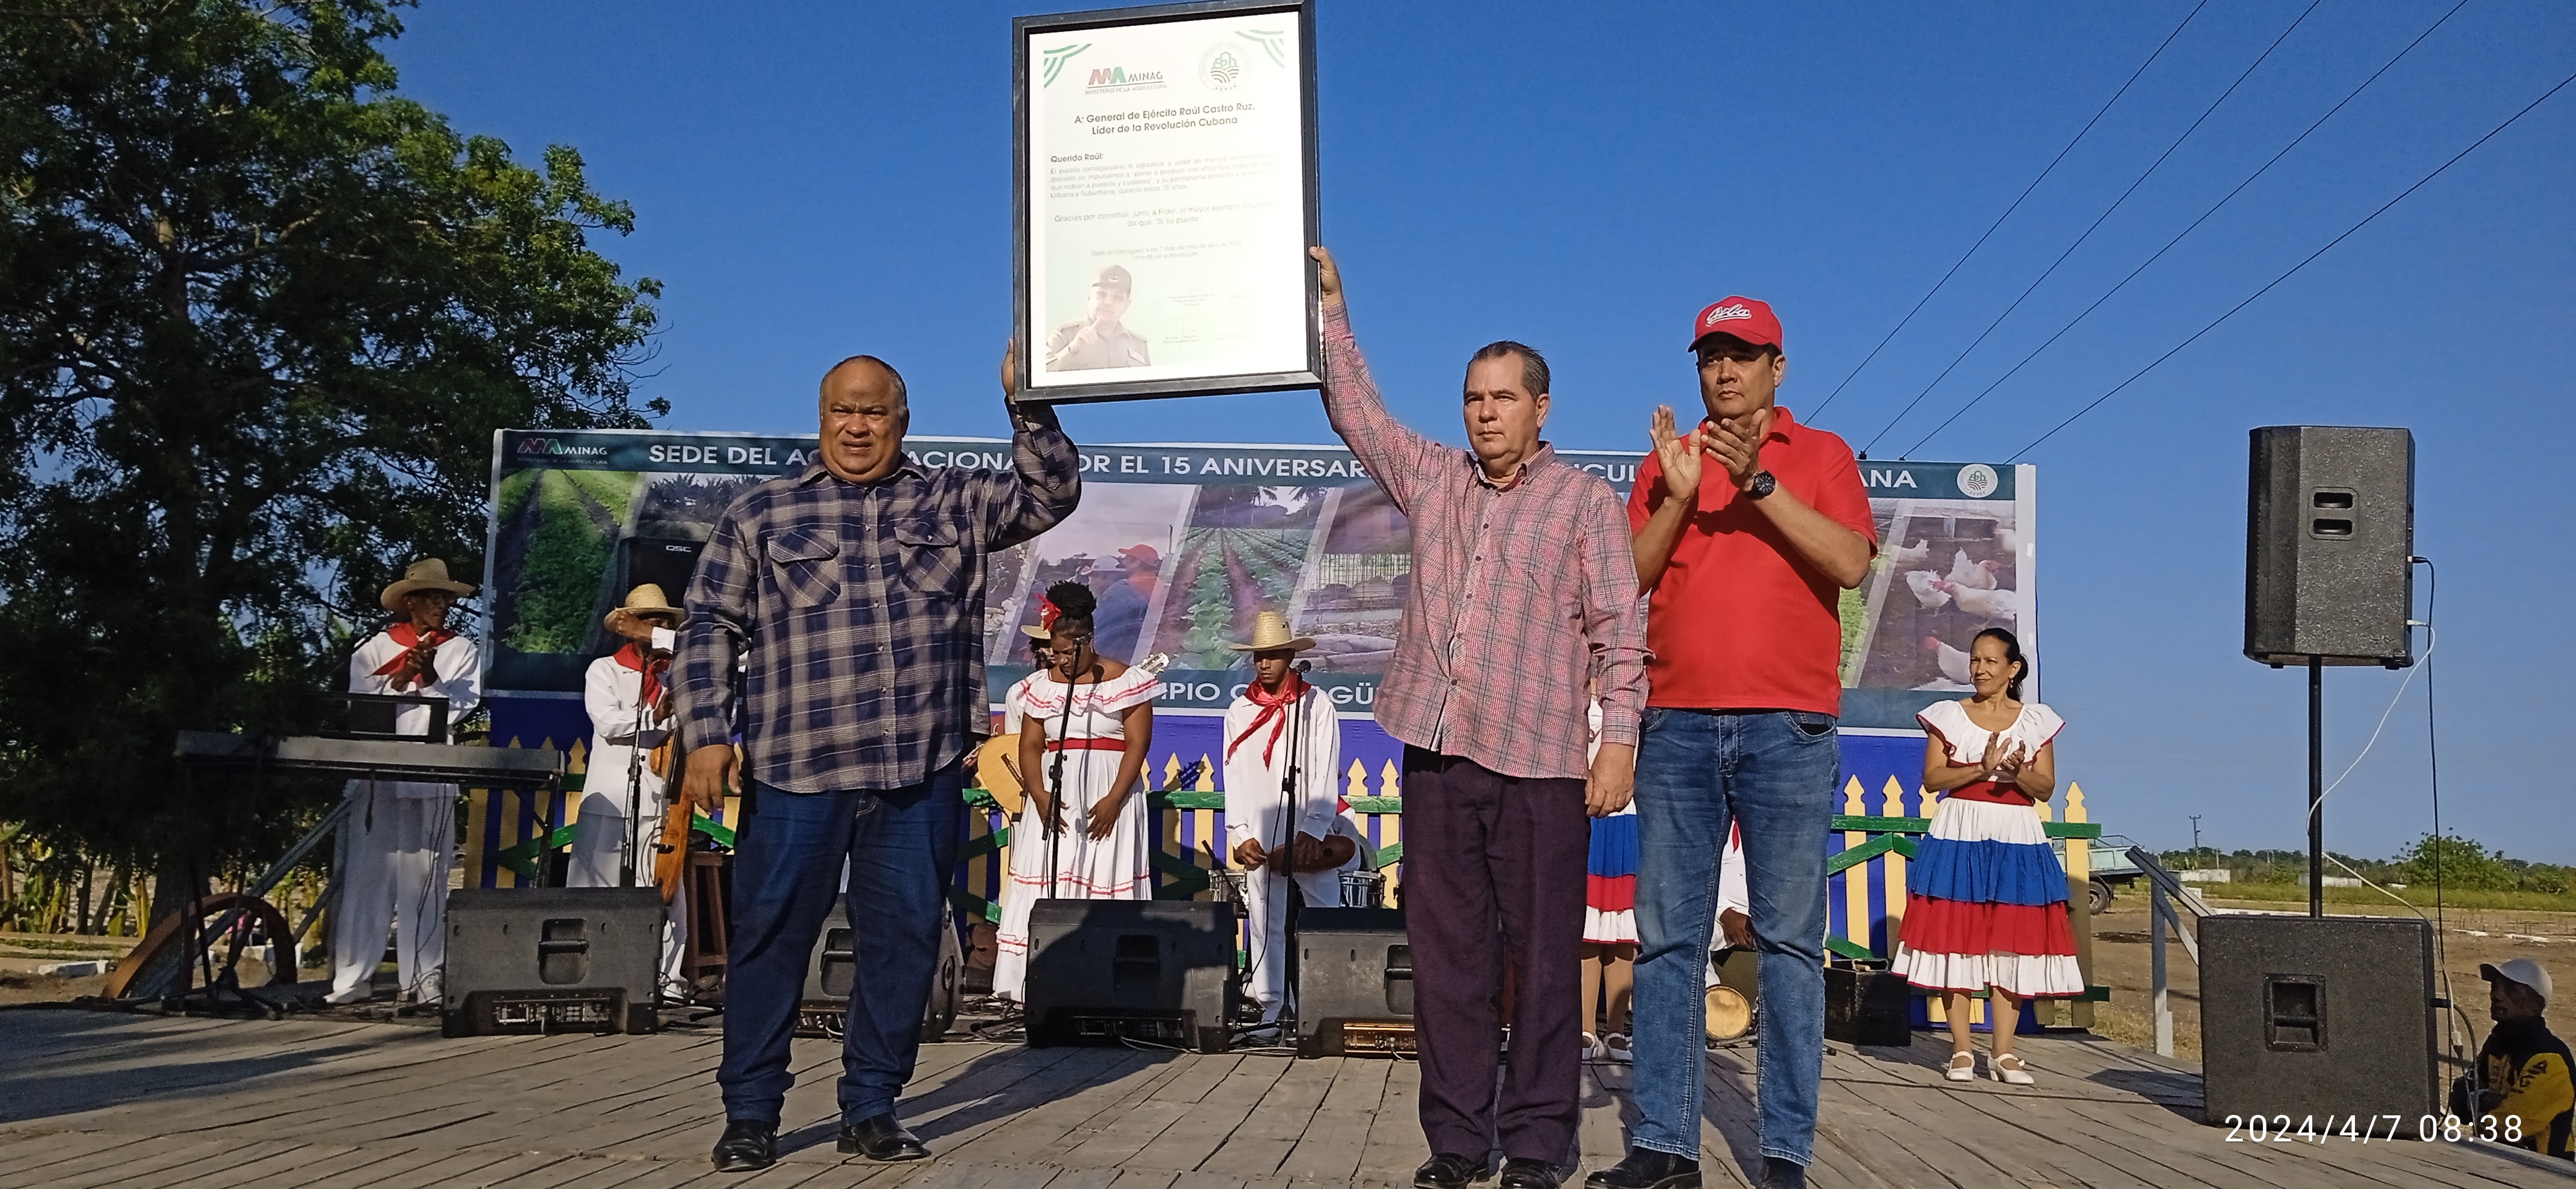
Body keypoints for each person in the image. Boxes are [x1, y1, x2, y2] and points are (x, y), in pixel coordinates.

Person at [679, 349, 1080, 1173]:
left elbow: (1052, 493)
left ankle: (874, 1105)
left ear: (902, 419)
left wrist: (1028, 406)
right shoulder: (764, 511)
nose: (857, 427)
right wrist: (707, 732)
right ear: (820, 417)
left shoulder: (954, 500)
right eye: (842, 412)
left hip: (919, 771)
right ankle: (751, 1112)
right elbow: (707, 622)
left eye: (874, 412)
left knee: (900, 943)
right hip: (798, 769)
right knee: (770, 940)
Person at [1309, 246, 1648, 1189]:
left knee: (1543, 966)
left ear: (1543, 409)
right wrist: (1334, 311)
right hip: (1438, 755)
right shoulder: (1434, 479)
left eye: (1503, 397)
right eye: (1472, 397)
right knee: (1449, 963)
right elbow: (1358, 414)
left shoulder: (1584, 502)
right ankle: (1457, 1145)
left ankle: (1537, 1147)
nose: (1485, 412)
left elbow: (1624, 626)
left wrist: (1616, 738)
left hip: (1542, 764)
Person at [1599, 297, 1876, 1189]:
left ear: (1778, 368)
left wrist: (1758, 482)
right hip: (1676, 722)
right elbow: (1629, 581)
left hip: (1788, 726)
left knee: (1790, 942)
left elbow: (1850, 562)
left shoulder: (1823, 454)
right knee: (1668, 942)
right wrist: (1679, 498)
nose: (1724, 372)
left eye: (1743, 356)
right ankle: (1667, 1145)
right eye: (1711, 358)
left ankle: (1785, 1152)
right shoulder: (1666, 461)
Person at [1888, 628, 2081, 1084]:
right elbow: (1933, 778)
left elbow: (2046, 787)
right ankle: (1960, 1049)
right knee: (1958, 936)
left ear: (2013, 669)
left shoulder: (2036, 720)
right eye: (1976, 660)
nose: (1980, 669)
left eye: (1991, 661)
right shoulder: (1949, 716)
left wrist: (2015, 775)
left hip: (2015, 832)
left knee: (2013, 939)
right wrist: (1982, 767)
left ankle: (2004, 1052)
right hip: (1960, 828)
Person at [991, 583, 1163, 999]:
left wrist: (1113, 800)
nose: (1061, 660)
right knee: (1047, 878)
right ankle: (1029, 985)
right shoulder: (1040, 686)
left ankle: (1105, 982)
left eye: (1069, 652)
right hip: (1053, 797)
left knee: (1104, 875)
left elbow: (1138, 744)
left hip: (1110, 793)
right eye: (1055, 652)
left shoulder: (1127, 681)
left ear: (1089, 643)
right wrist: (1040, 795)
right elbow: (1030, 744)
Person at [328, 558, 481, 1007]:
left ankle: (423, 976)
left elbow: (460, 708)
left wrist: (429, 675)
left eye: (446, 599)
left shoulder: (461, 650)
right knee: (366, 876)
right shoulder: (373, 648)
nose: (442, 606)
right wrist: (400, 677)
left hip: (430, 771)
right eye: (434, 598)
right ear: (410, 602)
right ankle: (352, 978)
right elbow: (360, 708)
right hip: (377, 771)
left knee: (426, 878)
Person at [1220, 610, 1349, 1027]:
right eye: (1259, 656)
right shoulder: (1239, 710)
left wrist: (1312, 829)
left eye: (1274, 655)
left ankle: (1329, 1006)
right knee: (1265, 922)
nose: (1264, 663)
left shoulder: (1316, 705)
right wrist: (1239, 832)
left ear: (1290, 657)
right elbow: (1234, 774)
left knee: (1324, 917)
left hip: (1306, 830)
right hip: (1259, 829)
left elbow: (1324, 768)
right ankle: (1271, 1008)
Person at [569, 584, 690, 1000]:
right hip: (611, 793)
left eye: (664, 623)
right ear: (630, 630)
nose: (658, 628)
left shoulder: (683, 669)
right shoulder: (603, 669)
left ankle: (667, 980)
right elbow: (607, 723)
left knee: (664, 888)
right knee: (593, 886)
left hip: (663, 799)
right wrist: (652, 715)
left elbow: (737, 659)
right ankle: (587, 971)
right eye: (650, 621)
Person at [2450, 959, 2574, 1158]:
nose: (2497, 995)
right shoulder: (2496, 1044)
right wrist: (2488, 1101)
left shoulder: (2549, 1056)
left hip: (2544, 1171)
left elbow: (2512, 1124)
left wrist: (2479, 1104)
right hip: (2496, 1161)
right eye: (2494, 986)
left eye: (2511, 989)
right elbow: (2459, 1101)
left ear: (2537, 1003)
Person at [1582, 697, 1638, 1065]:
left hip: (1630, 817)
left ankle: (1616, 1029)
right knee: (1585, 927)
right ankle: (1585, 1030)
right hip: (1584, 814)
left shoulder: (1635, 698)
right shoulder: (1573, 687)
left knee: (1623, 928)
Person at [1045, 264, 1151, 370]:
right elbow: (1039, 377)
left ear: (1126, 305)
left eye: (1117, 297)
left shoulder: (1139, 345)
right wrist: (1072, 349)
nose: (1108, 302)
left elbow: (1148, 385)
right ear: (1090, 298)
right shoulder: (1063, 336)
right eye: (1101, 294)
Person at [1092, 544, 1160, 662]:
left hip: (1119, 657)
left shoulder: (1122, 589)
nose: (1124, 561)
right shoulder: (1163, 586)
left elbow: (1099, 627)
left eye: (1128, 558)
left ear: (1137, 562)